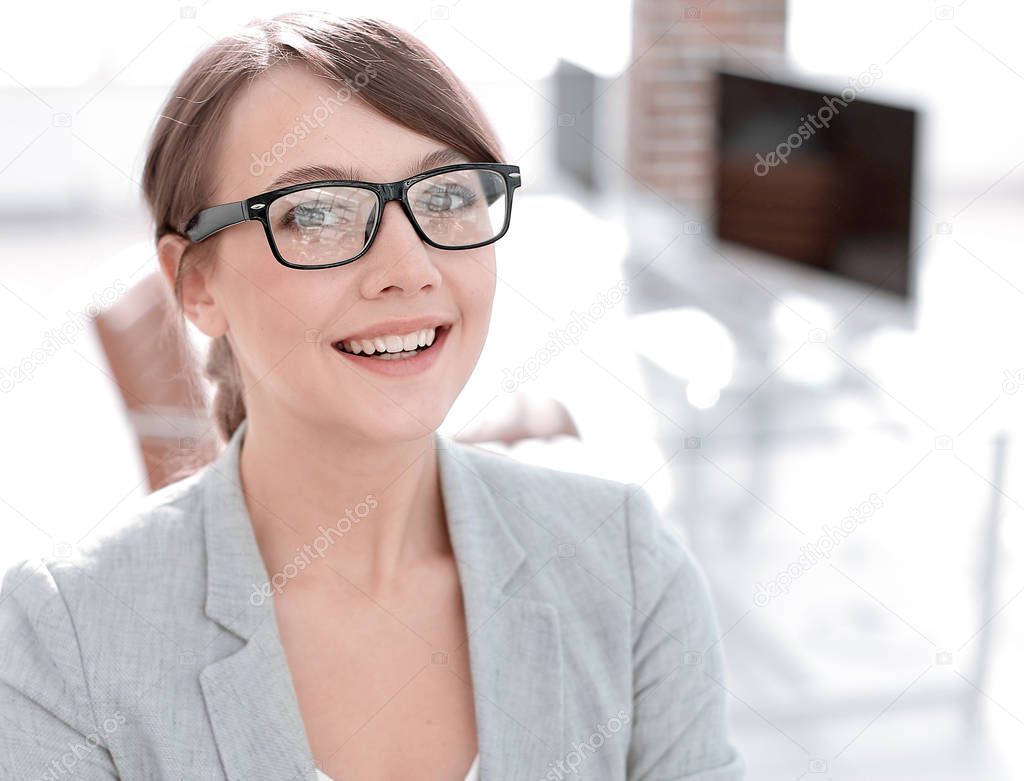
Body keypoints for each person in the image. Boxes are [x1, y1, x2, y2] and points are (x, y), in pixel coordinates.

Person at [0, 11, 746, 780]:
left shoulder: (624, 566)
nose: (410, 266)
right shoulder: (67, 640)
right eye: (317, 212)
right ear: (196, 283)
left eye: (447, 195)